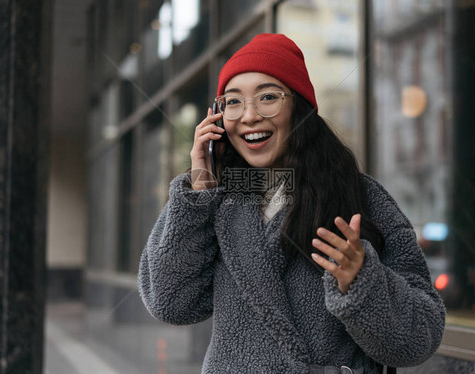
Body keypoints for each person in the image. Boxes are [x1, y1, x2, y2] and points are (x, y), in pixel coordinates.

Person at [138, 33, 445, 374]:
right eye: (233, 102)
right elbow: (170, 303)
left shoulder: (362, 196)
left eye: (268, 97)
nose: (249, 115)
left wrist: (361, 281)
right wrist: (198, 189)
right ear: (217, 118)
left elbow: (421, 337)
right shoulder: (218, 200)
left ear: (300, 107)